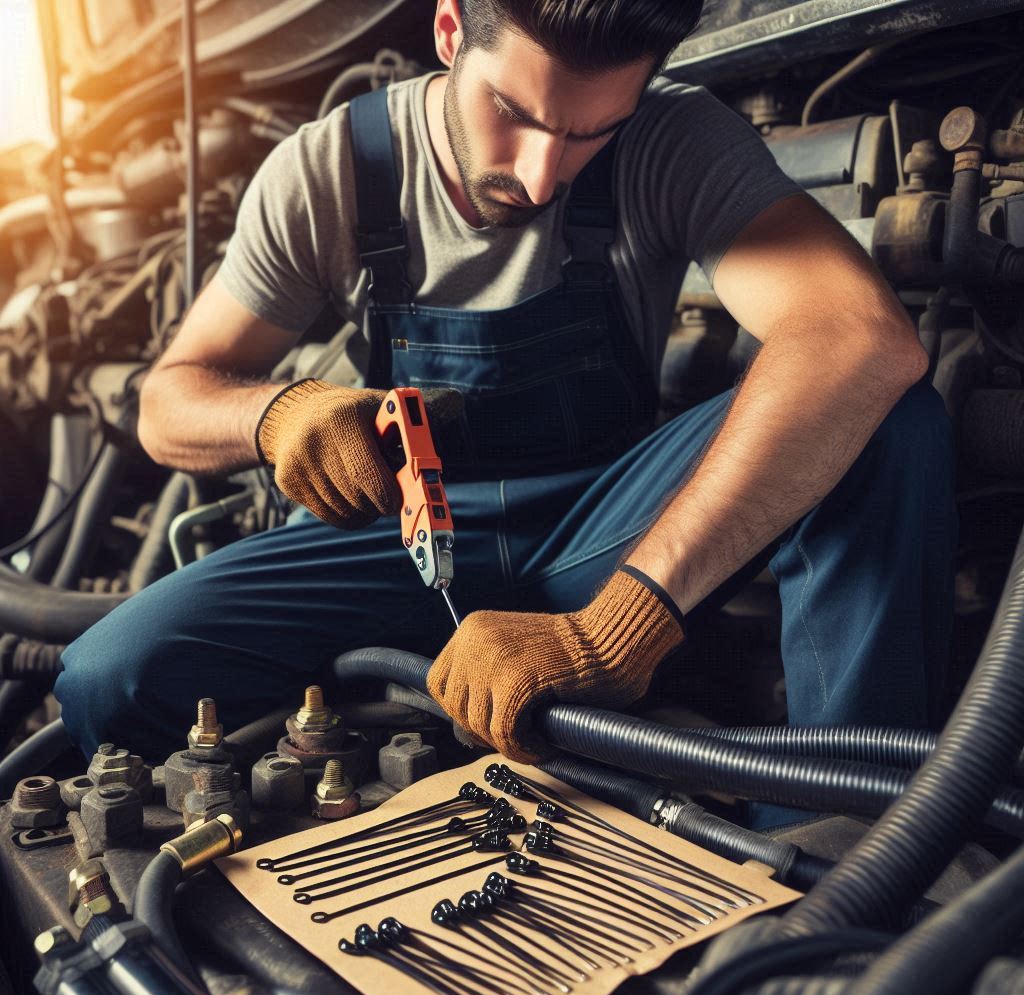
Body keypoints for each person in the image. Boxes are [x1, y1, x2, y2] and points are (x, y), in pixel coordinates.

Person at [55, 0, 955, 828]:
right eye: (516, 115)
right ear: (450, 31)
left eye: (589, 134)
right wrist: (277, 416)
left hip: (599, 533)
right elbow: (168, 400)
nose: (540, 176)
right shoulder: (334, 169)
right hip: (400, 543)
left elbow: (858, 337)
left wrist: (621, 625)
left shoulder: (673, 136)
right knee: (113, 676)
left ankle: (832, 850)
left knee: (883, 415)